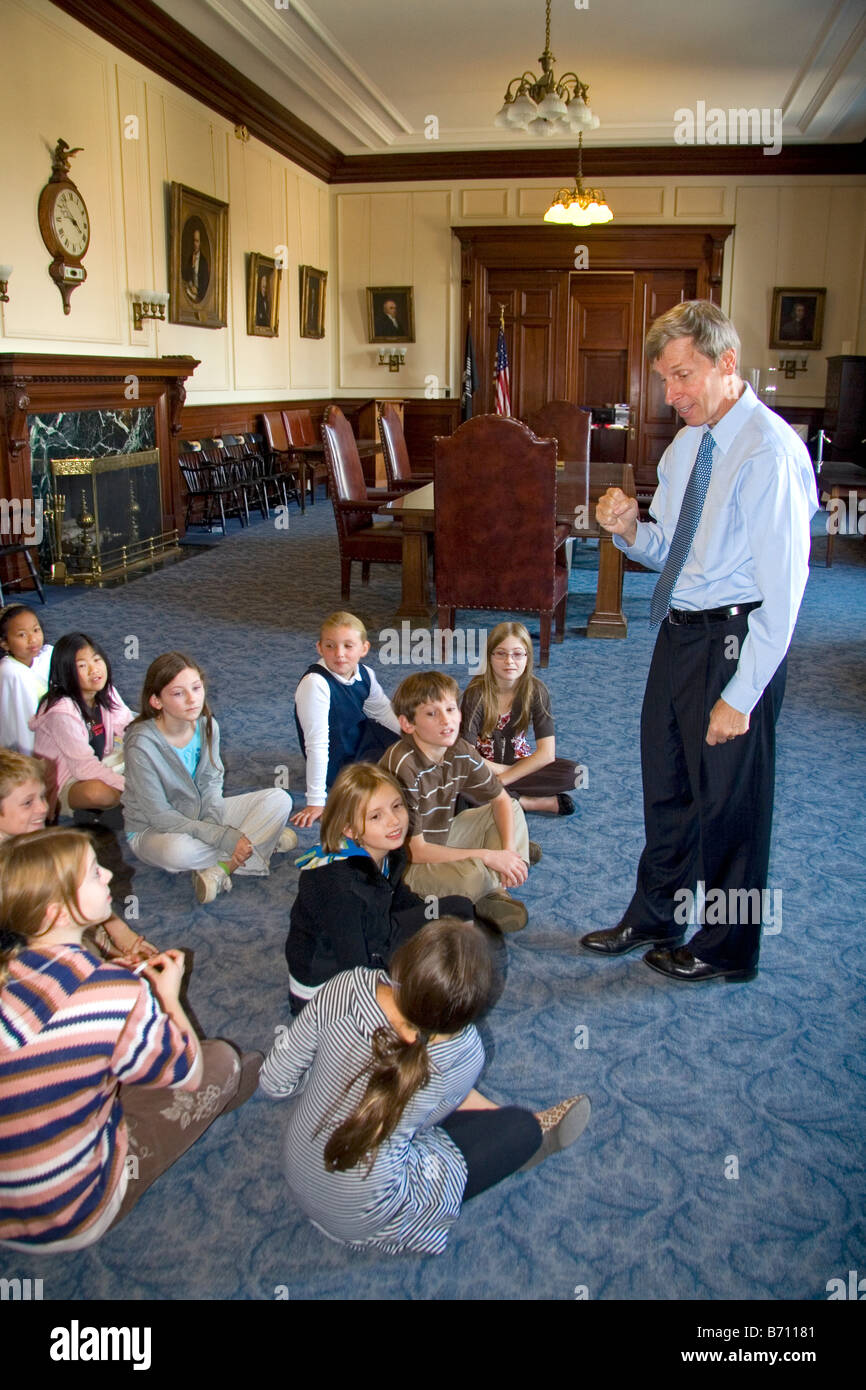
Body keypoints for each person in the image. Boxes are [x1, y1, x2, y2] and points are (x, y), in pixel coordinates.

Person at [581, 300, 817, 984]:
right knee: (669, 787)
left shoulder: (769, 452)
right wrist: (629, 530)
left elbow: (786, 592)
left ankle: (726, 947)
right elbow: (675, 555)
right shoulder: (689, 445)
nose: (670, 393)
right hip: (681, 634)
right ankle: (656, 915)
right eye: (664, 378)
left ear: (726, 364)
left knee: (732, 806)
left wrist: (742, 697)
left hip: (740, 642)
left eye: (682, 375)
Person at [260, 918, 591, 1255]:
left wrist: (334, 1076)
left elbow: (274, 1081)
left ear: (404, 959)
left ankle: (503, 1124)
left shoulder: (345, 985)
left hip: (298, 1167)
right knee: (520, 1129)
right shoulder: (464, 1053)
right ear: (469, 1011)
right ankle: (528, 1131)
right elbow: (427, 1123)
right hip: (364, 1213)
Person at [0, 828, 260, 1251]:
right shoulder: (115, 991)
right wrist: (167, 997)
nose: (107, 873)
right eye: (91, 875)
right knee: (220, 1062)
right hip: (73, 1215)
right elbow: (189, 1074)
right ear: (55, 915)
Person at [285, 762, 473, 1015]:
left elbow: (401, 899)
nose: (394, 821)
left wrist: (434, 924)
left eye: (397, 806)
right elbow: (354, 967)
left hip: (376, 934)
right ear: (350, 829)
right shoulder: (338, 883)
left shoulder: (390, 853)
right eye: (376, 816)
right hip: (327, 989)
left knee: (458, 909)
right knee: (423, 998)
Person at [123, 652, 295, 904]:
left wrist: (214, 827)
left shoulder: (207, 725)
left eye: (196, 688)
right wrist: (222, 835)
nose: (193, 699)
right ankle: (258, 841)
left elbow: (212, 782)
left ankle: (223, 867)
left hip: (201, 815)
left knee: (279, 799)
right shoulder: (141, 745)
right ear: (156, 701)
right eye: (178, 693)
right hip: (153, 830)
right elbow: (159, 815)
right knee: (179, 852)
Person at [380, 671, 534, 934]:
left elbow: (500, 798)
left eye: (451, 709)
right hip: (408, 865)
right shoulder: (402, 766)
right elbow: (415, 851)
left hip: (443, 834)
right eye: (431, 714)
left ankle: (499, 879)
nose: (446, 720)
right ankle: (493, 888)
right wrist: (488, 855)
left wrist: (506, 850)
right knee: (473, 874)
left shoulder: (459, 749)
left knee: (513, 808)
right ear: (408, 724)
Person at [0, 747, 156, 963]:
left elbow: (76, 888)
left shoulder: (33, 841)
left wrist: (118, 932)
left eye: (42, 797)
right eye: (28, 803)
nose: (43, 808)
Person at [291, 612, 401, 829]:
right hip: (338, 756)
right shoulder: (315, 684)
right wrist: (316, 800)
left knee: (408, 755)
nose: (339, 654)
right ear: (319, 648)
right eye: (330, 646)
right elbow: (316, 744)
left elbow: (384, 713)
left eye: (348, 646)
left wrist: (417, 740)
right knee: (392, 781)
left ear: (364, 649)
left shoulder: (365, 673)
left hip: (361, 739)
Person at [461, 621, 577, 816]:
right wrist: (501, 771)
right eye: (501, 653)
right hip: (483, 765)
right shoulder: (477, 691)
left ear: (527, 657)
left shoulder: (537, 691)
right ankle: (527, 802)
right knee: (458, 776)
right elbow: (468, 754)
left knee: (575, 774)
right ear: (490, 657)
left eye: (517, 654)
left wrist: (506, 778)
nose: (509, 661)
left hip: (518, 763)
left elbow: (546, 754)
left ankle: (498, 798)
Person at [30, 632, 133, 816]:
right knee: (98, 794)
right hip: (67, 778)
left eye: (97, 660)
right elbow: (82, 767)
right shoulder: (61, 712)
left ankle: (127, 802)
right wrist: (131, 787)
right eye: (82, 665)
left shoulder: (104, 690)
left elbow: (129, 728)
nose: (94, 670)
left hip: (101, 760)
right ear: (66, 671)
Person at [0, 605, 52, 755]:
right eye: (22, 635)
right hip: (30, 746)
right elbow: (23, 727)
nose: (33, 639)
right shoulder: (10, 672)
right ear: (4, 643)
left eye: (36, 630)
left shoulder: (47, 655)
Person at [183, 225, 209, 303]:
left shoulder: (203, 261)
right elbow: (186, 276)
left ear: (200, 243)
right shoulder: (190, 258)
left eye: (197, 241)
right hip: (190, 291)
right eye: (194, 241)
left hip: (199, 295)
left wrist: (197, 290)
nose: (195, 243)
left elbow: (205, 284)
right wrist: (192, 265)